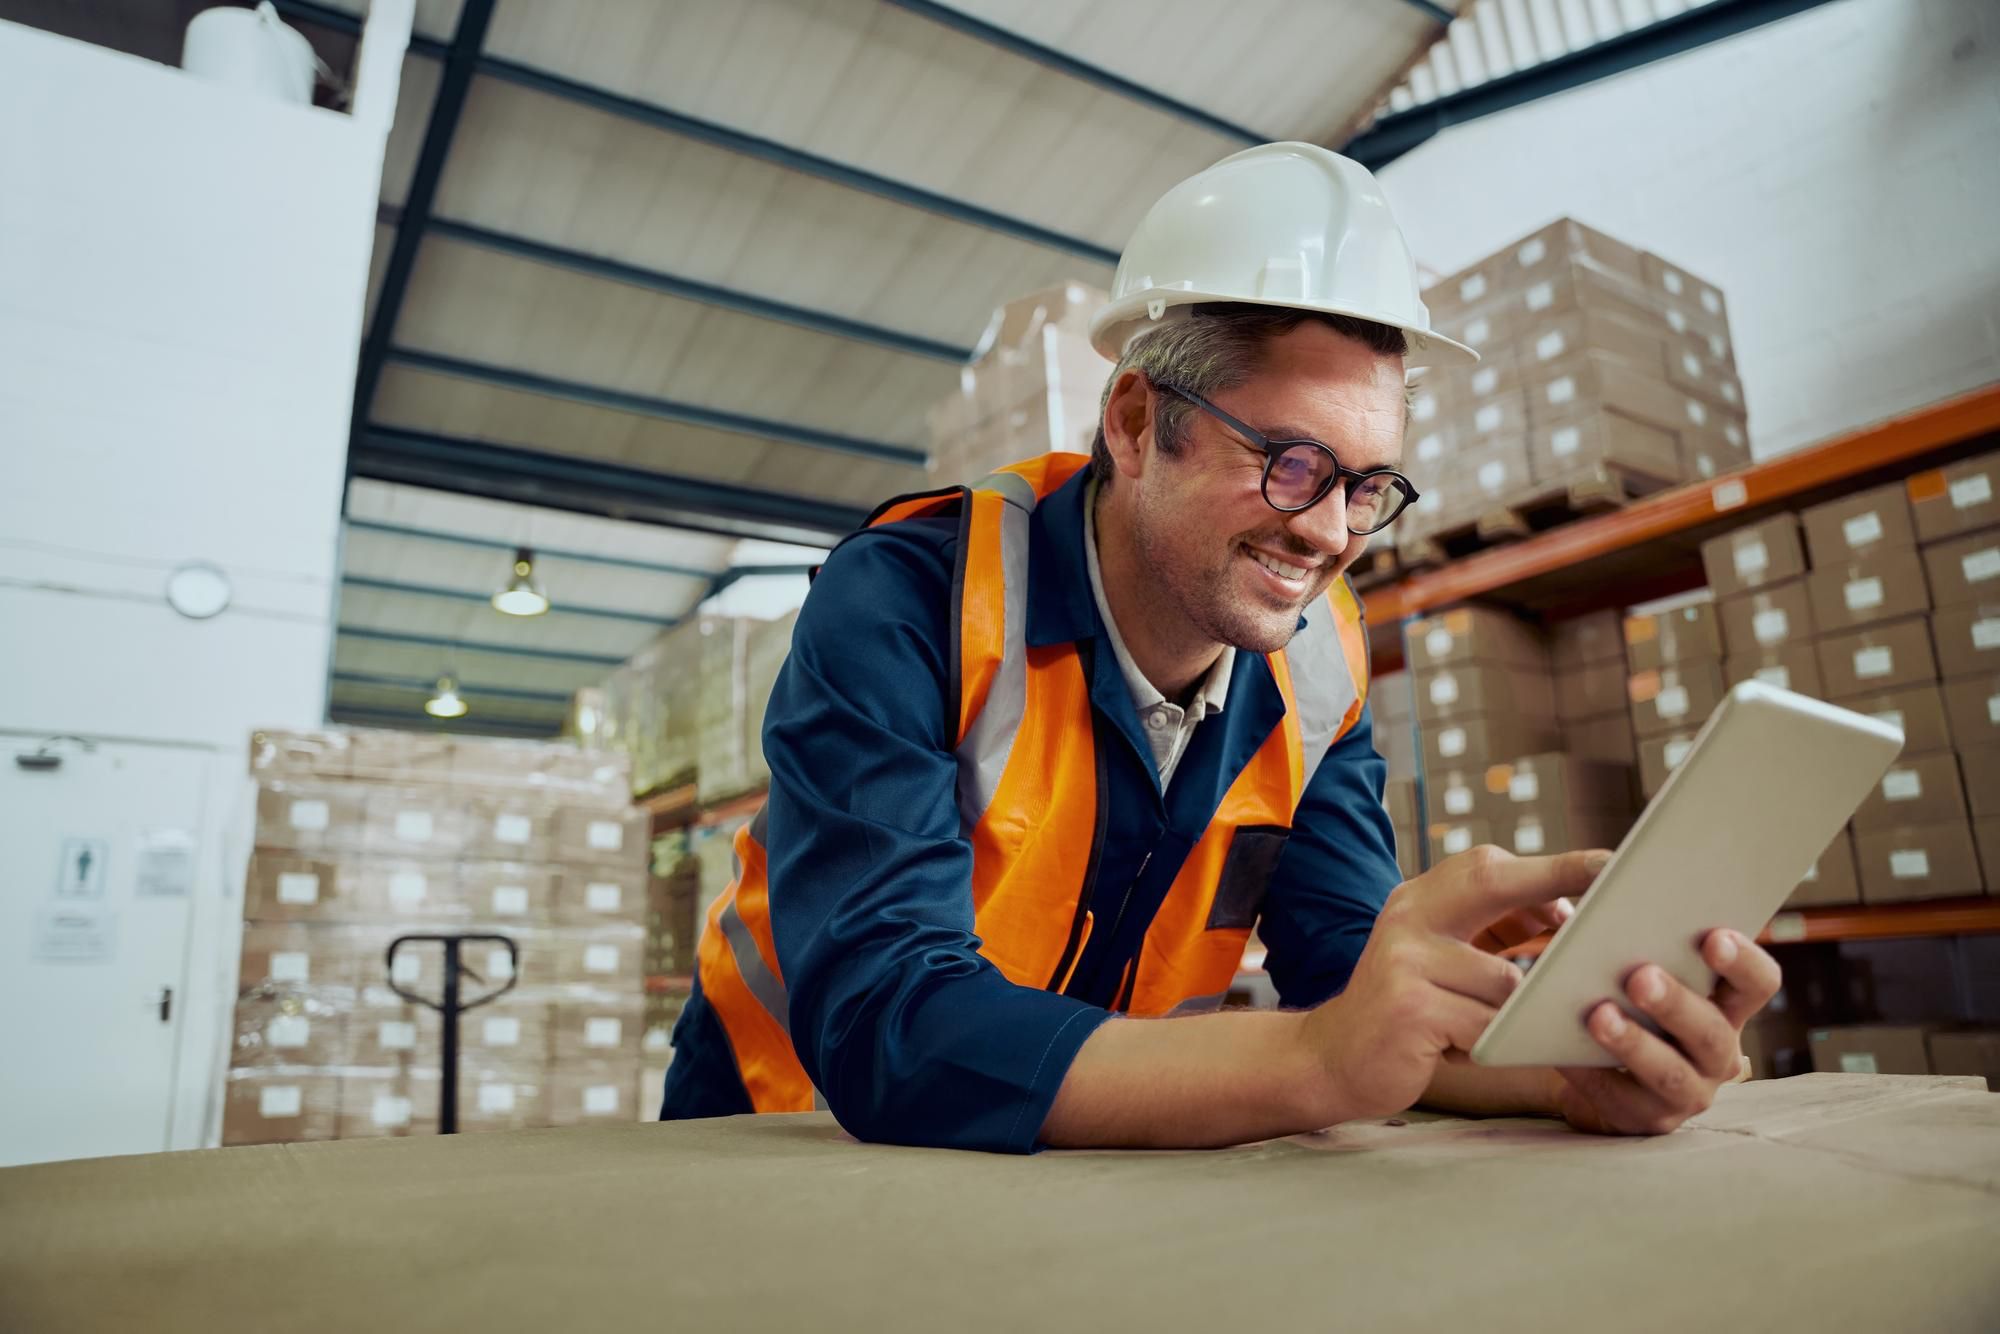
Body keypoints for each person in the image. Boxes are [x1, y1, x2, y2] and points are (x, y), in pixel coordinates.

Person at [659, 142, 1780, 1151]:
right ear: (1137, 422)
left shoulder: (1316, 660)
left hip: (1060, 1159)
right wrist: (1312, 1059)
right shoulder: (911, 599)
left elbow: (1344, 967)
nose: (1331, 530)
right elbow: (887, 1021)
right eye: (1291, 463)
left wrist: (1555, 1070)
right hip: (777, 1151)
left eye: (1366, 484)